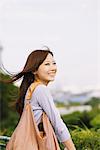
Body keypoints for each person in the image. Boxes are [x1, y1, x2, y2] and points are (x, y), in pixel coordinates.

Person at [2, 48, 76, 150]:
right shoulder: (41, 89)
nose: (53, 67)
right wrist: (71, 148)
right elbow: (57, 123)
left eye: (54, 63)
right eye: (47, 64)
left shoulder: (31, 89)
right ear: (34, 70)